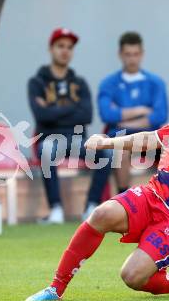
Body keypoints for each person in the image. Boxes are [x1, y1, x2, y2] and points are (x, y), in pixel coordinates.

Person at [25, 58, 169, 301]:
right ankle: (55, 289)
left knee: (132, 276)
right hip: (155, 194)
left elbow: (151, 139)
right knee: (102, 215)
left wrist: (106, 142)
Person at [28, 28, 112, 224]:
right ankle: (55, 209)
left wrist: (53, 110)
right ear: (51, 49)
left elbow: (87, 115)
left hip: (77, 141)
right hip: (50, 139)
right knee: (47, 149)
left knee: (109, 152)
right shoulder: (37, 82)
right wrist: (72, 110)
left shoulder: (79, 83)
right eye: (60, 46)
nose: (65, 51)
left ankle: (91, 207)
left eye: (69, 47)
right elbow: (41, 115)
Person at [98, 32, 167, 194]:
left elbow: (160, 115)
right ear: (120, 55)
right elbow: (106, 115)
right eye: (128, 54)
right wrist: (141, 110)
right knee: (120, 149)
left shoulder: (156, 83)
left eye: (136, 54)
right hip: (122, 137)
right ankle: (123, 197)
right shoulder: (108, 84)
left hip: (150, 138)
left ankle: (168, 198)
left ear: (142, 54)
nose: (132, 59)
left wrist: (124, 118)